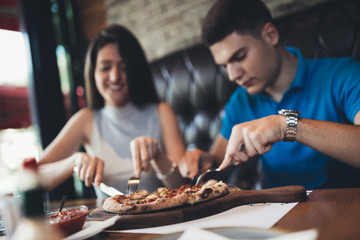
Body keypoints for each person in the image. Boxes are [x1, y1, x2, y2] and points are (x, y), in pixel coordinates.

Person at [180, 0, 360, 189]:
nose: (233, 75)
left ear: (270, 35)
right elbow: (216, 162)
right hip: (278, 214)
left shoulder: (343, 75)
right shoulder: (241, 101)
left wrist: (286, 126)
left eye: (239, 57)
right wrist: (200, 160)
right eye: (225, 66)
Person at [37, 24, 187, 198]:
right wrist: (73, 162)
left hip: (163, 220)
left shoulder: (161, 112)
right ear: (93, 72)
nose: (115, 76)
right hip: (109, 224)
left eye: (123, 67)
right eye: (106, 67)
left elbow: (184, 187)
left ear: (135, 70)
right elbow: (32, 178)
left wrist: (158, 156)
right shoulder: (86, 120)